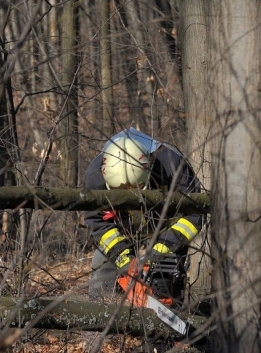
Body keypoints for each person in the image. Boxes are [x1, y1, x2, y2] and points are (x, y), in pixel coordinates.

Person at [84, 128, 203, 305]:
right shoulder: (95, 176)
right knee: (103, 266)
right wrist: (122, 257)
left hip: (165, 225)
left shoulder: (172, 165)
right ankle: (102, 317)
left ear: (147, 168)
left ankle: (171, 314)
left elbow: (194, 213)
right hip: (123, 226)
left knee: (168, 273)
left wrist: (164, 246)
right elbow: (98, 222)